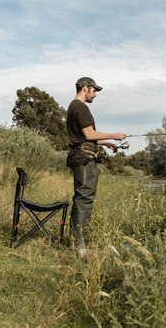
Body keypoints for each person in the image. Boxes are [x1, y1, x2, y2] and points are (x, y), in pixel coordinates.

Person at [66, 77, 128, 256]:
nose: (95, 94)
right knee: (84, 199)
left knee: (82, 198)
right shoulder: (80, 107)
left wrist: (107, 142)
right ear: (85, 88)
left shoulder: (73, 107)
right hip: (84, 159)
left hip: (81, 156)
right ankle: (80, 246)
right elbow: (89, 133)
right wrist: (114, 134)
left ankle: (78, 241)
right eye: (94, 90)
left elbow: (86, 137)